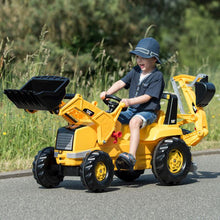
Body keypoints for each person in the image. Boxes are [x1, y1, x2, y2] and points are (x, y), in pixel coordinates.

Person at [100, 37, 165, 170]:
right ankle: (111, 149)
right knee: (110, 118)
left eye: (143, 57)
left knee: (134, 122)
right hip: (132, 110)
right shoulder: (135, 71)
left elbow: (147, 97)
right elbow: (120, 83)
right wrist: (107, 93)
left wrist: (129, 101)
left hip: (148, 112)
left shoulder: (157, 76)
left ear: (154, 59)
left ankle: (131, 156)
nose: (139, 60)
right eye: (137, 57)